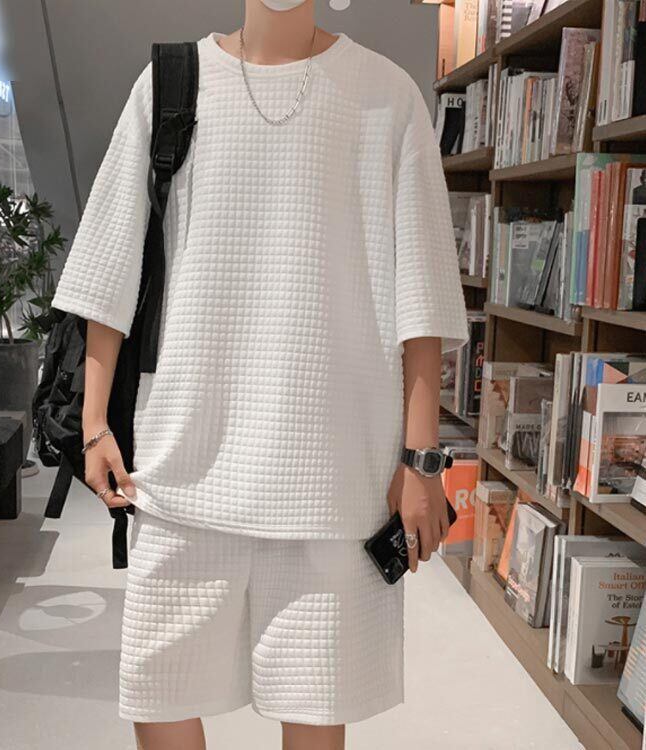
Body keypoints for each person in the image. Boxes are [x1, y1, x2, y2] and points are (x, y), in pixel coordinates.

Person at [52, 1, 468, 748]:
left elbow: (423, 300)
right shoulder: (171, 83)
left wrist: (421, 461)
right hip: (181, 472)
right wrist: (92, 424)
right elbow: (110, 268)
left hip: (331, 485)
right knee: (158, 691)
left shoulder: (387, 96)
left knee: (314, 712)